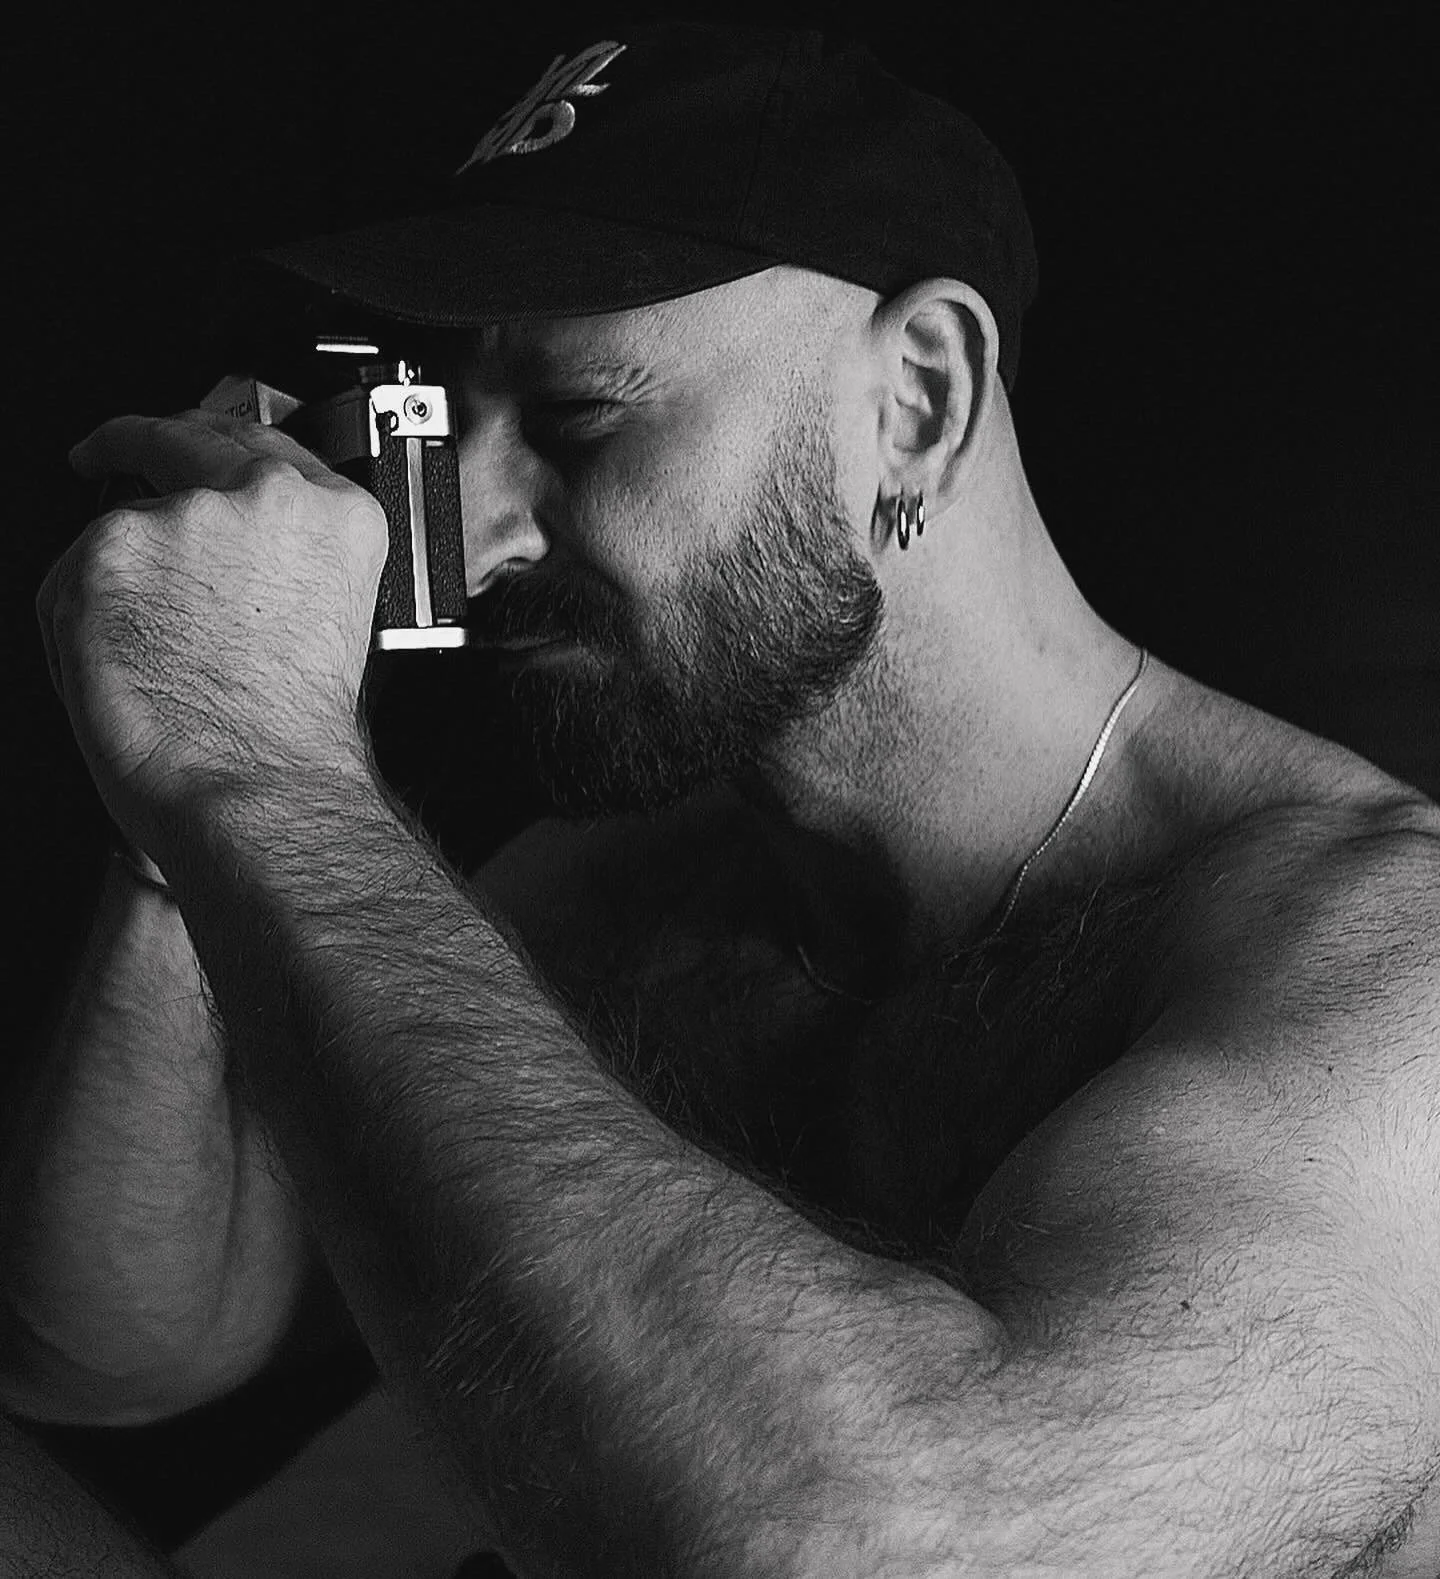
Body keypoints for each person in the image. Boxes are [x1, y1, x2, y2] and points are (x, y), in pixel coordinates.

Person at [8, 20, 1439, 1577]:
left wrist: (263, 767)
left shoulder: (1378, 982)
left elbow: (878, 1548)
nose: (470, 540)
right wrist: (173, 795)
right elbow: (120, 1353)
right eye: (446, 426)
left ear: (919, 399)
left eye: (577, 418)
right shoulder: (622, 893)